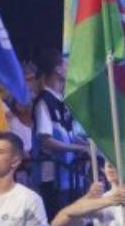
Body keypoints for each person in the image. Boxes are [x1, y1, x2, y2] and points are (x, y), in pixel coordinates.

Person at [32, 48, 87, 216]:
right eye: (66, 65)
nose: (69, 68)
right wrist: (78, 149)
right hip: (52, 176)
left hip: (68, 173)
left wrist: (89, 146)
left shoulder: (61, 101)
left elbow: (69, 136)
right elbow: (46, 140)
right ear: (58, 69)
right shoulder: (44, 101)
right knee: (57, 220)